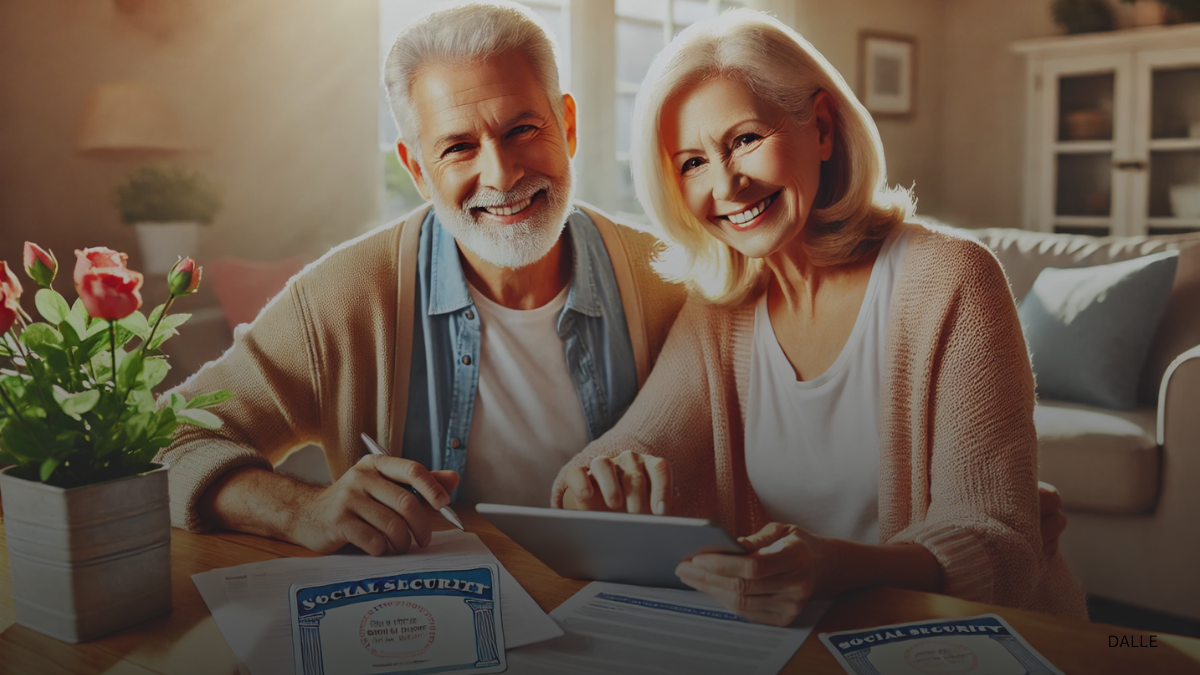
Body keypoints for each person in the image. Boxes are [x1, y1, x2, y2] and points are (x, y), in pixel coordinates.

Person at [553, 9, 1086, 624]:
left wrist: (844, 568)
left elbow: (1001, 542)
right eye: (692, 162)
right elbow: (638, 442)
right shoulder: (719, 312)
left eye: (745, 139)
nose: (727, 184)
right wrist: (589, 484)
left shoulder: (954, 280)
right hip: (801, 643)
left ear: (823, 128)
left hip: (977, 640)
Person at [157, 1, 685, 557]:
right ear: (417, 170)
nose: (501, 174)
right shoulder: (346, 294)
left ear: (567, 126)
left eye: (523, 129)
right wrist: (300, 509)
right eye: (459, 147)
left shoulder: (670, 279)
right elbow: (167, 440)